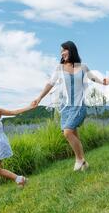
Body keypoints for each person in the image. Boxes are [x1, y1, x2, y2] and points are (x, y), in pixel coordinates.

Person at [31, 41, 104, 171]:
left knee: (68, 132)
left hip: (78, 105)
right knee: (74, 134)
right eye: (61, 51)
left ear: (72, 50)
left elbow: (92, 77)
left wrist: (103, 81)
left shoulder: (82, 66)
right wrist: (39, 97)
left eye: (65, 50)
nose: (62, 53)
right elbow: (50, 83)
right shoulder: (59, 68)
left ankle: (79, 159)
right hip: (65, 107)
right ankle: (84, 163)